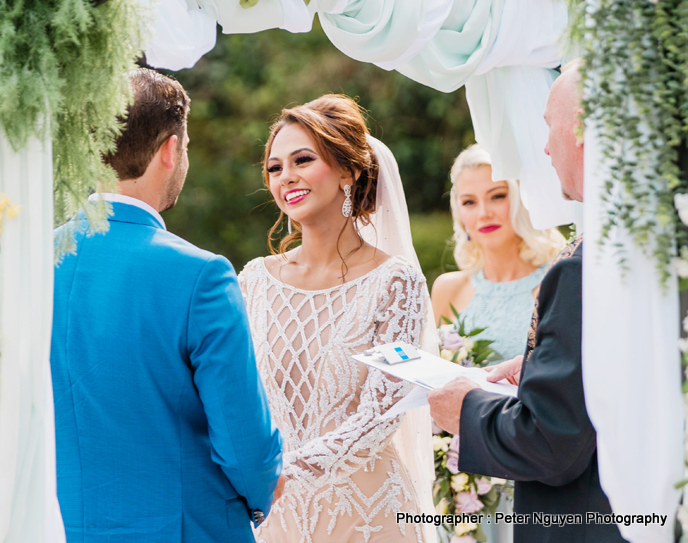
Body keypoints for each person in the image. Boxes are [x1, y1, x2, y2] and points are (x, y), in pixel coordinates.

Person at [50, 68, 284, 543]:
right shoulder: (200, 276)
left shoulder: (31, 265)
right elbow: (244, 446)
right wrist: (264, 490)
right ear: (170, 150)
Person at [427, 63, 626, 542]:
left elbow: (551, 444)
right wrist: (539, 368)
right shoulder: (638, 242)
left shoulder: (578, 265)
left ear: (580, 132)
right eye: (468, 201)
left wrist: (465, 410)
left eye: (548, 129)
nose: (543, 148)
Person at [238, 94, 437, 543]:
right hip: (275, 520)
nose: (286, 176)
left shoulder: (395, 282)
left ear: (348, 170)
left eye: (302, 160)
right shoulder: (253, 282)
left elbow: (381, 414)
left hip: (368, 518)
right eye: (274, 167)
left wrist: (287, 472)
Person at [431, 144, 566, 360]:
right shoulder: (447, 289)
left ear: (520, 199)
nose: (484, 213)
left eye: (497, 196)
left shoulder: (556, 284)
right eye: (469, 202)